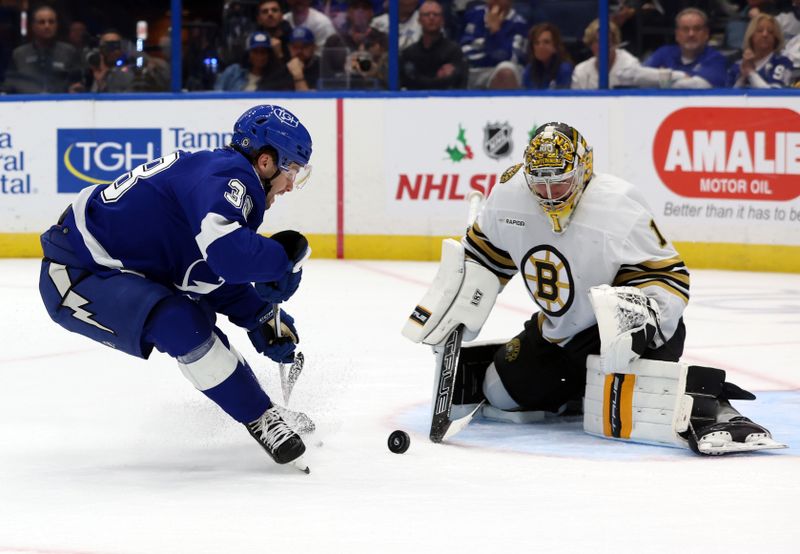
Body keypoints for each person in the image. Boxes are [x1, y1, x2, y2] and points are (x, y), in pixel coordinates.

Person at [404, 122, 782, 456]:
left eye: (560, 181)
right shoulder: (508, 196)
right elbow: (484, 261)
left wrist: (639, 327)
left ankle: (714, 407)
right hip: (559, 334)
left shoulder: (617, 205)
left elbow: (670, 277)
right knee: (500, 393)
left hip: (626, 334)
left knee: (639, 405)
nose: (550, 193)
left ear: (583, 169)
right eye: (540, 182)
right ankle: (578, 391)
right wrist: (456, 303)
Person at [38, 105, 314, 471]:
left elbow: (199, 271)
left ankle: (261, 410)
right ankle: (260, 416)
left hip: (101, 265)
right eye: (291, 169)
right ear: (265, 161)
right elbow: (228, 257)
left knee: (190, 314)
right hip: (75, 275)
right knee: (180, 323)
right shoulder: (232, 179)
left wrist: (257, 315)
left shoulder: (217, 174)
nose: (291, 183)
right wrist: (282, 260)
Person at [571, 19, 675, 89]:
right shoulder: (581, 71)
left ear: (615, 43)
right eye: (597, 41)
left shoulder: (629, 65)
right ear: (590, 44)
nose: (602, 46)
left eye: (607, 41)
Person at [1, 4, 82, 94]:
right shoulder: (19, 54)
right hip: (26, 105)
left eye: (51, 22)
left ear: (56, 25)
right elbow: (8, 87)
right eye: (41, 22)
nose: (47, 26)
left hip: (60, 105)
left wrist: (75, 90)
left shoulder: (69, 52)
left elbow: (77, 84)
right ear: (33, 26)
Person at [644, 8, 729, 89]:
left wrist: (662, 79)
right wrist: (681, 76)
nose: (691, 34)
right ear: (677, 35)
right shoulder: (664, 53)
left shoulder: (716, 59)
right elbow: (640, 76)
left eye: (697, 29)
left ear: (706, 34)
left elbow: (700, 85)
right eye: (685, 29)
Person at [399, 0, 467, 90]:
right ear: (419, 20)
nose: (431, 18)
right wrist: (439, 80)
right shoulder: (409, 53)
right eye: (426, 14)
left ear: (442, 20)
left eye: (436, 14)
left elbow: (456, 81)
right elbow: (409, 82)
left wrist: (421, 80)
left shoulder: (453, 51)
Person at [460, 0, 528, 89]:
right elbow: (465, 53)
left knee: (506, 70)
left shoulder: (519, 24)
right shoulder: (473, 15)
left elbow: (511, 58)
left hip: (502, 72)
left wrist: (495, 32)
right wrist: (492, 53)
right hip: (473, 71)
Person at [85, 30, 170, 93]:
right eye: (108, 46)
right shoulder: (94, 70)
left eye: (116, 45)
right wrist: (100, 82)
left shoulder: (132, 69)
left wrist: (134, 52)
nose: (113, 50)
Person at [727, 12, 793, 87]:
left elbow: (774, 95)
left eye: (770, 32)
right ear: (751, 36)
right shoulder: (737, 65)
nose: (765, 34)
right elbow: (728, 96)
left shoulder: (782, 62)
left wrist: (751, 73)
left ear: (776, 38)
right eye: (760, 30)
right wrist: (743, 77)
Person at [215, 31, 294, 91]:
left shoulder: (274, 79)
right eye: (255, 52)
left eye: (263, 52)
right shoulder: (233, 72)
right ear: (248, 54)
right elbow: (217, 95)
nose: (259, 56)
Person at [521, 22, 573, 90]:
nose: (541, 47)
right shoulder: (529, 70)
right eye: (536, 43)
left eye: (546, 42)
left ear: (555, 46)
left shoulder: (564, 70)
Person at [286, 26, 321, 90]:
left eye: (304, 46)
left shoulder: (322, 67)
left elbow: (313, 99)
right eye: (295, 47)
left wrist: (298, 76)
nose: (299, 51)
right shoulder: (283, 67)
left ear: (314, 47)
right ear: (289, 48)